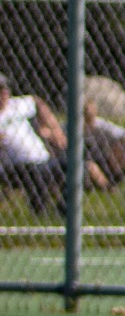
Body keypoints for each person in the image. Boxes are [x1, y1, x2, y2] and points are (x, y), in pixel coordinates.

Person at [0, 73, 64, 216]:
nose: (4, 93)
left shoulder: (17, 105)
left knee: (74, 165)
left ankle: (64, 210)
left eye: (5, 89)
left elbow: (37, 103)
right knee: (34, 171)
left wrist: (55, 129)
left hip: (44, 159)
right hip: (15, 166)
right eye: (0, 89)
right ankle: (40, 214)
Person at [81, 98, 125, 191]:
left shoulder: (100, 125)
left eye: (91, 115)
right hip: (85, 161)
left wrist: (116, 147)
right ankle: (107, 187)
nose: (89, 119)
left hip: (103, 158)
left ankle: (119, 177)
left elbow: (124, 134)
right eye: (86, 115)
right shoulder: (73, 128)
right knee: (90, 165)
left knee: (121, 147)